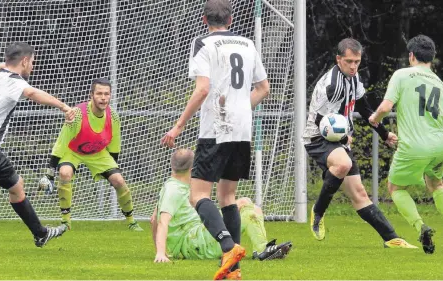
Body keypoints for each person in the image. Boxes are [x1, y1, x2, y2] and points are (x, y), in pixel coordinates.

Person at [161, 0, 270, 279]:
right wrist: (243, 108)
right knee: (228, 196)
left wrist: (178, 125)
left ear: (204, 19)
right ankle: (233, 269)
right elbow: (263, 88)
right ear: (231, 20)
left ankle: (227, 245)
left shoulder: (203, 43)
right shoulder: (247, 44)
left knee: (198, 195)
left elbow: (202, 89)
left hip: (216, 128)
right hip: (243, 128)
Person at [302, 38, 417, 248]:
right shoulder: (332, 84)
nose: (354, 66)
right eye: (349, 61)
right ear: (338, 59)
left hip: (339, 141)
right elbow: (320, 121)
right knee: (342, 164)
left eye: (357, 61)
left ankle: (391, 239)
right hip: (317, 138)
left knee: (360, 194)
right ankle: (318, 212)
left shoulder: (354, 79)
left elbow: (364, 109)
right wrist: (344, 137)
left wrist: (384, 133)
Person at [0, 42, 74, 247]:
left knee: (16, 186)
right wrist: (64, 106)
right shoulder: (15, 81)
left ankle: (40, 233)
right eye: (32, 62)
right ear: (24, 61)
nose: (33, 66)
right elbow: (32, 94)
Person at [152, 149, 292, 271]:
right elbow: (162, 221)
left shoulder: (173, 185)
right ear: (193, 168)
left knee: (252, 207)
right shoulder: (173, 190)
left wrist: (164, 250)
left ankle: (261, 250)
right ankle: (262, 250)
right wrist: (160, 253)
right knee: (244, 203)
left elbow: (153, 219)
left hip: (198, 238)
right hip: (194, 244)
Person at [369, 34, 443, 254]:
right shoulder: (439, 83)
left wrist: (375, 119)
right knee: (437, 185)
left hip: (414, 146)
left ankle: (421, 227)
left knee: (395, 187)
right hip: (439, 145)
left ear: (411, 55)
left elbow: (385, 106)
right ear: (432, 58)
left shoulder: (402, 75)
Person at [38, 78, 143, 231]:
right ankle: (66, 221)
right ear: (91, 95)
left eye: (107, 94)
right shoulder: (77, 114)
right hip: (73, 151)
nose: (103, 97)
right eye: (99, 93)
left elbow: (115, 143)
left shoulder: (113, 116)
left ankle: (131, 221)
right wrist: (49, 173)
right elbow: (62, 142)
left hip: (98, 152)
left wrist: (112, 170)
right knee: (65, 173)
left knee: (119, 181)